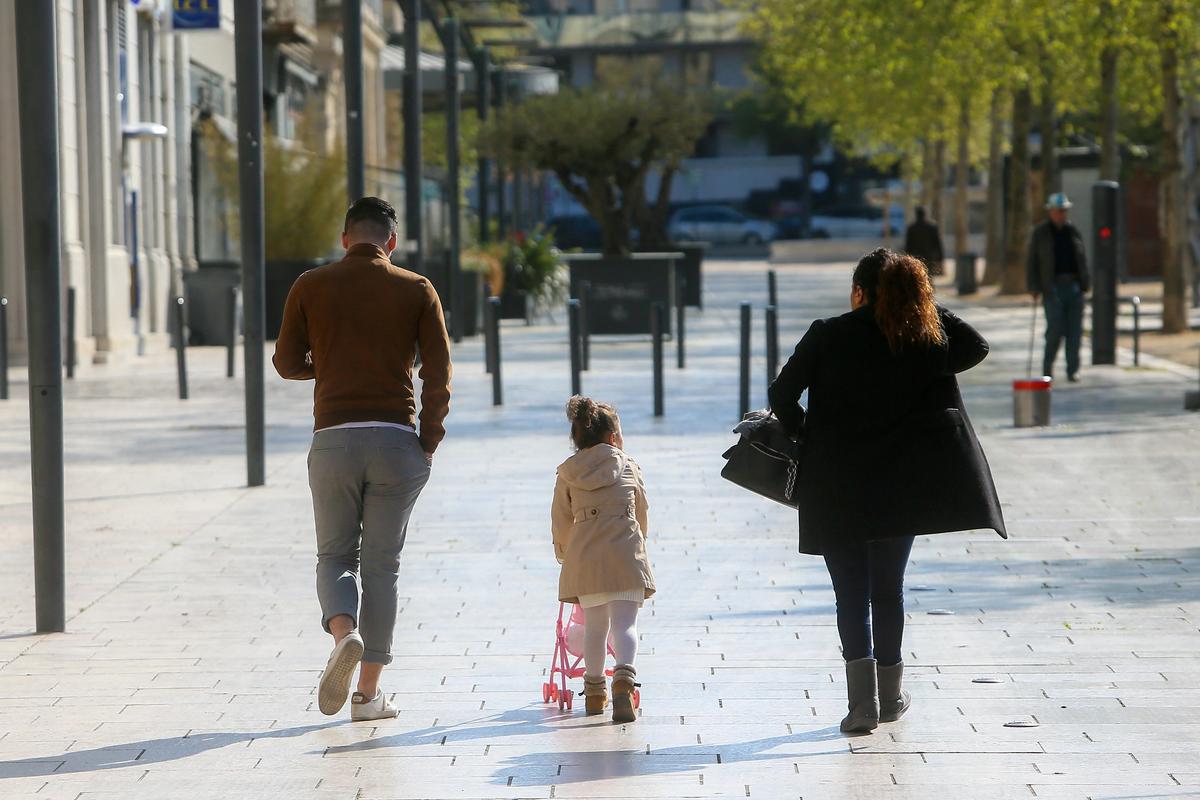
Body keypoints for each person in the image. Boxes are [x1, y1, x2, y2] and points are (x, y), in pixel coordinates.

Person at [767, 248, 1006, 735]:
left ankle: (862, 707)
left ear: (858, 291)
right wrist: (922, 308)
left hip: (836, 482)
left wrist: (803, 433)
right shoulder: (923, 337)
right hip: (901, 486)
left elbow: (781, 394)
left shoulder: (827, 334)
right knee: (887, 591)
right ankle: (892, 696)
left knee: (849, 594)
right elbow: (975, 346)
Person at [273, 197, 452, 721]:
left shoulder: (310, 285)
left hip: (333, 440)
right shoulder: (416, 289)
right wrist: (429, 439)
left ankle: (343, 634)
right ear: (391, 243)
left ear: (345, 238)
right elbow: (437, 374)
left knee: (334, 556)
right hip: (397, 441)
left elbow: (285, 362)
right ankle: (368, 695)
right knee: (382, 568)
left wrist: (327, 365)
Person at [551, 396, 654, 724]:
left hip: (587, 559)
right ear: (613, 438)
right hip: (625, 554)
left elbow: (561, 519)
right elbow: (642, 511)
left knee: (595, 626)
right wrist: (640, 544)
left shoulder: (568, 473)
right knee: (625, 625)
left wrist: (564, 553)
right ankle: (623, 679)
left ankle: (595, 692)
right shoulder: (628, 465)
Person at [1027, 192, 1090, 382]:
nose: (1061, 214)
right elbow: (1032, 261)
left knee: (1075, 331)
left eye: (1064, 211)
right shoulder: (1041, 233)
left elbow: (1082, 258)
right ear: (1051, 211)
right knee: (1055, 330)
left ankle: (1073, 370)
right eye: (1058, 211)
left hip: (1073, 286)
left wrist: (1085, 283)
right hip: (1052, 288)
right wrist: (1034, 286)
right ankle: (1048, 368)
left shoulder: (1073, 231)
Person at [903, 206, 945, 276]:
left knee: (917, 277)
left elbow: (908, 245)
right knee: (929, 276)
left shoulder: (912, 228)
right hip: (929, 256)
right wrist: (940, 257)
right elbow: (937, 243)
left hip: (915, 256)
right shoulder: (932, 227)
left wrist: (907, 257)